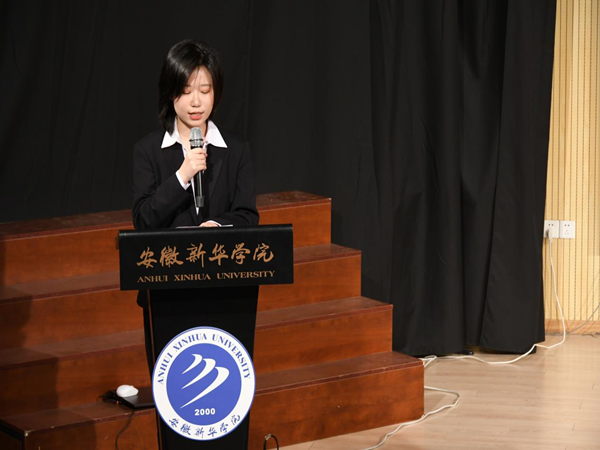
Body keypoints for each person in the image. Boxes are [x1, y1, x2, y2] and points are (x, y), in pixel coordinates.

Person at [133, 39, 259, 230]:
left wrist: (216, 226)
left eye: (205, 91)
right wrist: (181, 177)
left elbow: (247, 215)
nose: (196, 102)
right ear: (170, 93)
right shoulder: (148, 150)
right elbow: (143, 220)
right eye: (186, 91)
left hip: (218, 249)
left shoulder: (237, 150)